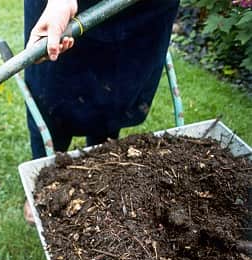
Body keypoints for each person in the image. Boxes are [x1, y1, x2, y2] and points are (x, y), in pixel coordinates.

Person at [23, 0, 180, 222]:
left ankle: (102, 171)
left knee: (117, 94)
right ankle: (43, 179)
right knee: (51, 94)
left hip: (139, 12)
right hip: (65, 9)